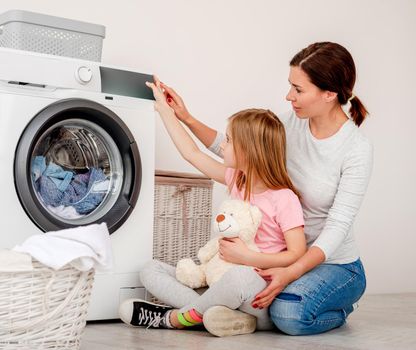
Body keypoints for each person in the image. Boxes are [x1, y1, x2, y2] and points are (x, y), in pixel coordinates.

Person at [153, 41, 373, 336]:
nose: (288, 96)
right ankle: (213, 311)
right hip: (278, 254)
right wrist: (185, 117)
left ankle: (338, 307)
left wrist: (289, 272)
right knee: (246, 293)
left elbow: (338, 226)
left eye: (298, 89)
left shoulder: (355, 149)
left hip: (333, 264)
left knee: (288, 314)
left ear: (329, 94)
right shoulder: (291, 123)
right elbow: (240, 150)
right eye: (290, 86)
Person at [119, 79, 307, 337]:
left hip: (257, 294)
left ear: (249, 151)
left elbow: (298, 253)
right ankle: (216, 316)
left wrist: (250, 258)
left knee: (238, 278)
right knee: (151, 270)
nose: (223, 145)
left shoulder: (284, 198)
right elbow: (192, 153)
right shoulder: (237, 180)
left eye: (228, 140)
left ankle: (174, 319)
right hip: (220, 287)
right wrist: (164, 110)